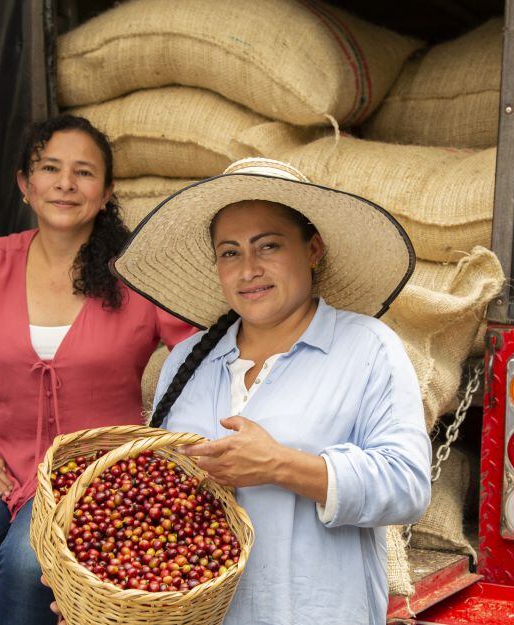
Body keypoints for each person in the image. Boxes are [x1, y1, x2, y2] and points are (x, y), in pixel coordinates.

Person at [0, 114, 195, 625]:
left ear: (105, 193)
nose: (65, 183)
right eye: (50, 168)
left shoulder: (136, 273)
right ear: (25, 185)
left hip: (93, 476)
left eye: (83, 172)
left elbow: (202, 356)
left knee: (28, 567)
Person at [108, 157, 432, 624]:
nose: (248, 270)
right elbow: (157, 504)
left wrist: (280, 465)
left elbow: (406, 486)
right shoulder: (187, 359)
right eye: (230, 252)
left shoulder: (366, 347)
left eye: (269, 246)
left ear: (313, 248)